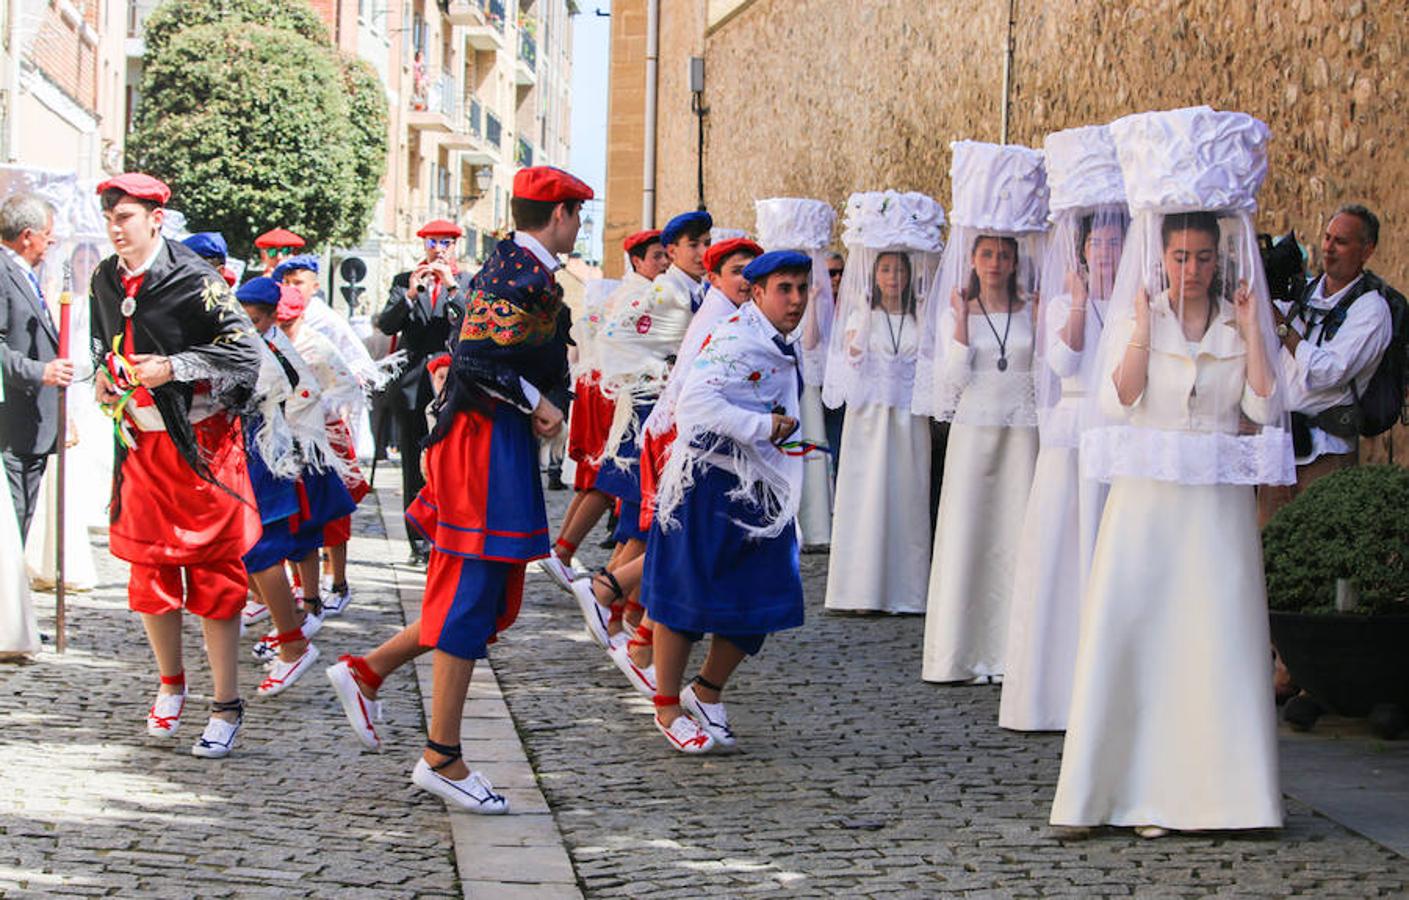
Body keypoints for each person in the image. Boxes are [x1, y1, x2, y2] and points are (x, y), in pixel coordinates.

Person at [1051, 107, 1293, 837]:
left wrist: (1252, 333)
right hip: (1148, 506)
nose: (1191, 270)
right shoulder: (1137, 315)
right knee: (1142, 635)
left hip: (1215, 508)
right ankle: (1126, 790)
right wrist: (1141, 328)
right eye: (1179, 257)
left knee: (1213, 638)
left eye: (1202, 257)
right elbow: (1118, 398)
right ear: (1161, 258)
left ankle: (1223, 796)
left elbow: (1258, 406)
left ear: (1220, 259)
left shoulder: (1233, 322)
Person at [402, 165, 588, 812]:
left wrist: (540, 399)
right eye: (577, 215)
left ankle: (383, 690)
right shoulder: (520, 272)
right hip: (482, 442)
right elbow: (475, 360)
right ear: (559, 214)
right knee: (471, 596)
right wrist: (541, 401)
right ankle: (442, 756)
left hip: (488, 440)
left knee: (478, 595)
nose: (579, 226)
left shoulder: (514, 265)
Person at [89, 173, 263, 758]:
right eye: (110, 218)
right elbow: (102, 346)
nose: (116, 229)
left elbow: (246, 353)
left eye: (126, 218)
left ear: (156, 220)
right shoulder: (103, 278)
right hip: (141, 449)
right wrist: (102, 380)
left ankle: (226, 704)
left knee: (214, 579)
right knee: (149, 575)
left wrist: (177, 365)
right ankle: (170, 683)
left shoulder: (195, 278)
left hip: (203, 449)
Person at [643, 250, 814, 753]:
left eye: (803, 289)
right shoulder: (739, 337)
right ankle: (668, 706)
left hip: (759, 486)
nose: (797, 299)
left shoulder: (778, 338)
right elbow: (696, 402)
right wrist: (763, 427)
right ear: (757, 294)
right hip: (709, 485)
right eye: (785, 289)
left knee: (765, 595)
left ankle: (707, 691)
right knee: (685, 598)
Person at [1001, 126, 1129, 730]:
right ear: (1081, 250)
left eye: (1114, 242)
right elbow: (1062, 362)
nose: (1105, 253)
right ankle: (1055, 684)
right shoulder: (1062, 302)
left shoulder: (1136, 303)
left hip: (1118, 434)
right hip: (1073, 431)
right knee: (1063, 552)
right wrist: (1078, 301)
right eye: (1097, 244)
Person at [821, 191, 945, 614]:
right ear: (874, 275)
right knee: (868, 495)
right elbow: (849, 360)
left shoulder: (917, 317)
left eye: (899, 270)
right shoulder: (862, 317)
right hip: (870, 419)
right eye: (886, 269)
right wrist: (857, 343)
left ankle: (907, 590)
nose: (893, 277)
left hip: (908, 419)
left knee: (907, 499)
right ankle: (861, 589)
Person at [234, 277, 345, 697]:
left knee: (271, 547)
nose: (249, 324)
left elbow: (306, 393)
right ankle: (289, 628)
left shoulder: (276, 350)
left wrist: (290, 442)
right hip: (261, 454)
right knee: (254, 550)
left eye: (255, 318)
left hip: (274, 457)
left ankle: (294, 634)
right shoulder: (258, 343)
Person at [1258, 204, 1394, 523]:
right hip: (1279, 449)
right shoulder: (1303, 294)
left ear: (1367, 250)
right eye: (1328, 238)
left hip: (1326, 452)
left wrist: (1282, 328)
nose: (1329, 249)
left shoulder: (1371, 311)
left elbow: (1326, 373)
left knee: (1316, 548)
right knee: (1267, 551)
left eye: (1342, 242)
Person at [275, 256, 374, 613]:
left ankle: (340, 582)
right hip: (289, 437)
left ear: (314, 286)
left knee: (332, 513)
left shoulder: (327, 328)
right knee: (296, 513)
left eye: (299, 281)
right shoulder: (272, 333)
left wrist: (318, 406)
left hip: (326, 436)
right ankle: (303, 588)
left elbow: (355, 372)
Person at [376, 220, 471, 564]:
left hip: (454, 382)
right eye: (433, 242)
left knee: (452, 463)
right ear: (424, 245)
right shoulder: (404, 281)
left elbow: (470, 321)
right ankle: (418, 541)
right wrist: (410, 295)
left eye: (446, 242)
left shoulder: (466, 282)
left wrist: (452, 288)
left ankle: (451, 535)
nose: (438, 248)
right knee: (413, 465)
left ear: (455, 245)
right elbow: (386, 324)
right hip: (414, 384)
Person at [755, 197, 837, 552]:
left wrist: (817, 304)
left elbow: (812, 340)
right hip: (776, 379)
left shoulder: (810, 298)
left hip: (805, 380)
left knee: (809, 445)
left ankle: (814, 520)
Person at [0, 192, 69, 541]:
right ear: (27, 235)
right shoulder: (1, 271)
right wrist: (40, 372)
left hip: (33, 424)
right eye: (47, 232)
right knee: (11, 523)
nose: (52, 240)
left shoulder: (24, 274)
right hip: (14, 422)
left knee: (20, 520)